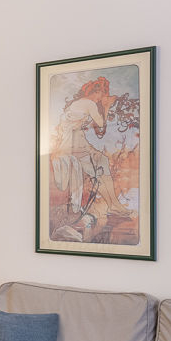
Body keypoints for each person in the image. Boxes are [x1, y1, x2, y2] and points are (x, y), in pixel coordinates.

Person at [50, 77, 126, 233]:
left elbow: (97, 131)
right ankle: (113, 205)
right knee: (99, 167)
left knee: (102, 160)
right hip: (73, 145)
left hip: (76, 142)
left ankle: (114, 204)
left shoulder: (78, 103)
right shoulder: (89, 104)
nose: (101, 98)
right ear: (96, 92)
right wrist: (106, 106)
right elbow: (101, 125)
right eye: (101, 95)